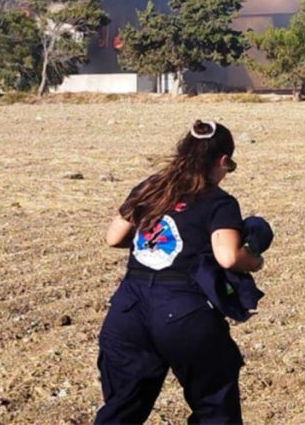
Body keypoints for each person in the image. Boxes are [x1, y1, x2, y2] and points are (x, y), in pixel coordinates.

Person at [94, 120, 265, 425]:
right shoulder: (218, 201)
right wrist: (252, 260)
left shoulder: (150, 187)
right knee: (215, 406)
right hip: (183, 311)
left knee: (121, 410)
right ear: (223, 161)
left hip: (127, 311)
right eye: (229, 167)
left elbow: (113, 238)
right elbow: (227, 257)